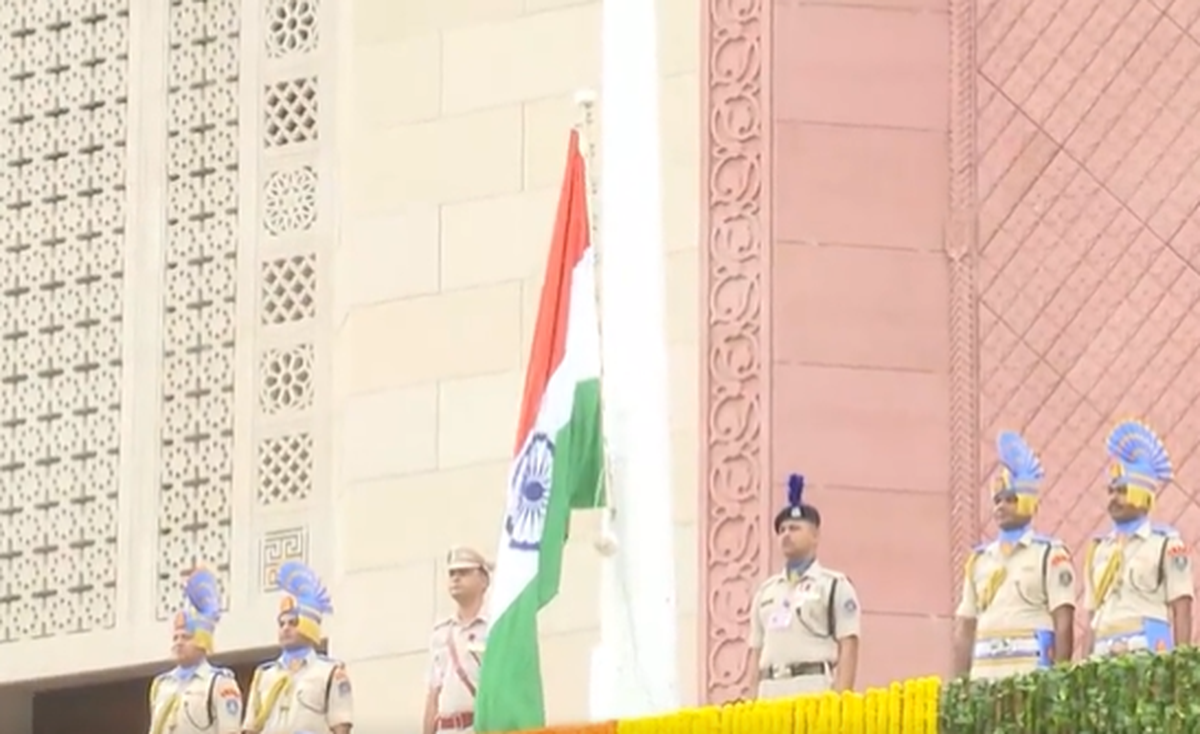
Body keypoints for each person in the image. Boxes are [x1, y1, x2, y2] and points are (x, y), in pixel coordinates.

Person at [953, 431, 1076, 680]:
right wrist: (960, 683)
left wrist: (1060, 679)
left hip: (1030, 675)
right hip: (985, 675)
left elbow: (1063, 620)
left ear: (1030, 503)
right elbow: (965, 626)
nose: (1001, 506)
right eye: (997, 500)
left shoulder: (1049, 554)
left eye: (1010, 499)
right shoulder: (979, 560)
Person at [1084, 419, 1193, 657]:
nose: (1114, 498)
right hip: (1103, 653)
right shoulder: (1100, 549)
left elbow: (1181, 607)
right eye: (1110, 491)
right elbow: (1092, 615)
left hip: (1147, 652)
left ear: (1143, 495)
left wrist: (1182, 666)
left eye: (1122, 491)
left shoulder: (1165, 544)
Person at [748, 473, 861, 698]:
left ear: (815, 535)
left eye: (795, 528)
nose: (786, 535)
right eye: (782, 530)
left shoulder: (833, 586)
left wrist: (842, 700)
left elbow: (848, 643)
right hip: (770, 690)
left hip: (811, 687)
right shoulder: (766, 592)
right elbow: (756, 651)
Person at [241, 560, 353, 734]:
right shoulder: (264, 675)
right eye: (281, 623)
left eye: (293, 623)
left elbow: (341, 726)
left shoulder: (330, 673)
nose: (285, 628)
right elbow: (250, 728)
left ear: (309, 627)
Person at [148, 568, 243, 734]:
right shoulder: (162, 685)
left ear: (202, 641)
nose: (179, 643)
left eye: (186, 637)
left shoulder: (219, 683)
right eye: (175, 638)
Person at [424, 547, 492, 734]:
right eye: (452, 573)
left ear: (484, 580)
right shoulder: (442, 633)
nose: (456, 578)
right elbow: (433, 694)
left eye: (464, 572)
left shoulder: (494, 630)